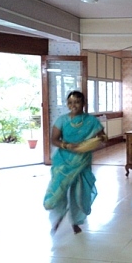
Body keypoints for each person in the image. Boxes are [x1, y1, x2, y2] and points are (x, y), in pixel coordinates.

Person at [43, 91, 107, 234]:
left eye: (77, 102)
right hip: (63, 161)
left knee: (79, 191)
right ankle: (57, 217)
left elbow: (102, 136)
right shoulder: (62, 120)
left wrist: (100, 139)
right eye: (70, 102)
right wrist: (68, 145)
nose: (73, 105)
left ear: (84, 104)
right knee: (59, 189)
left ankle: (76, 221)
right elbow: (54, 140)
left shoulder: (91, 121)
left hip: (82, 160)